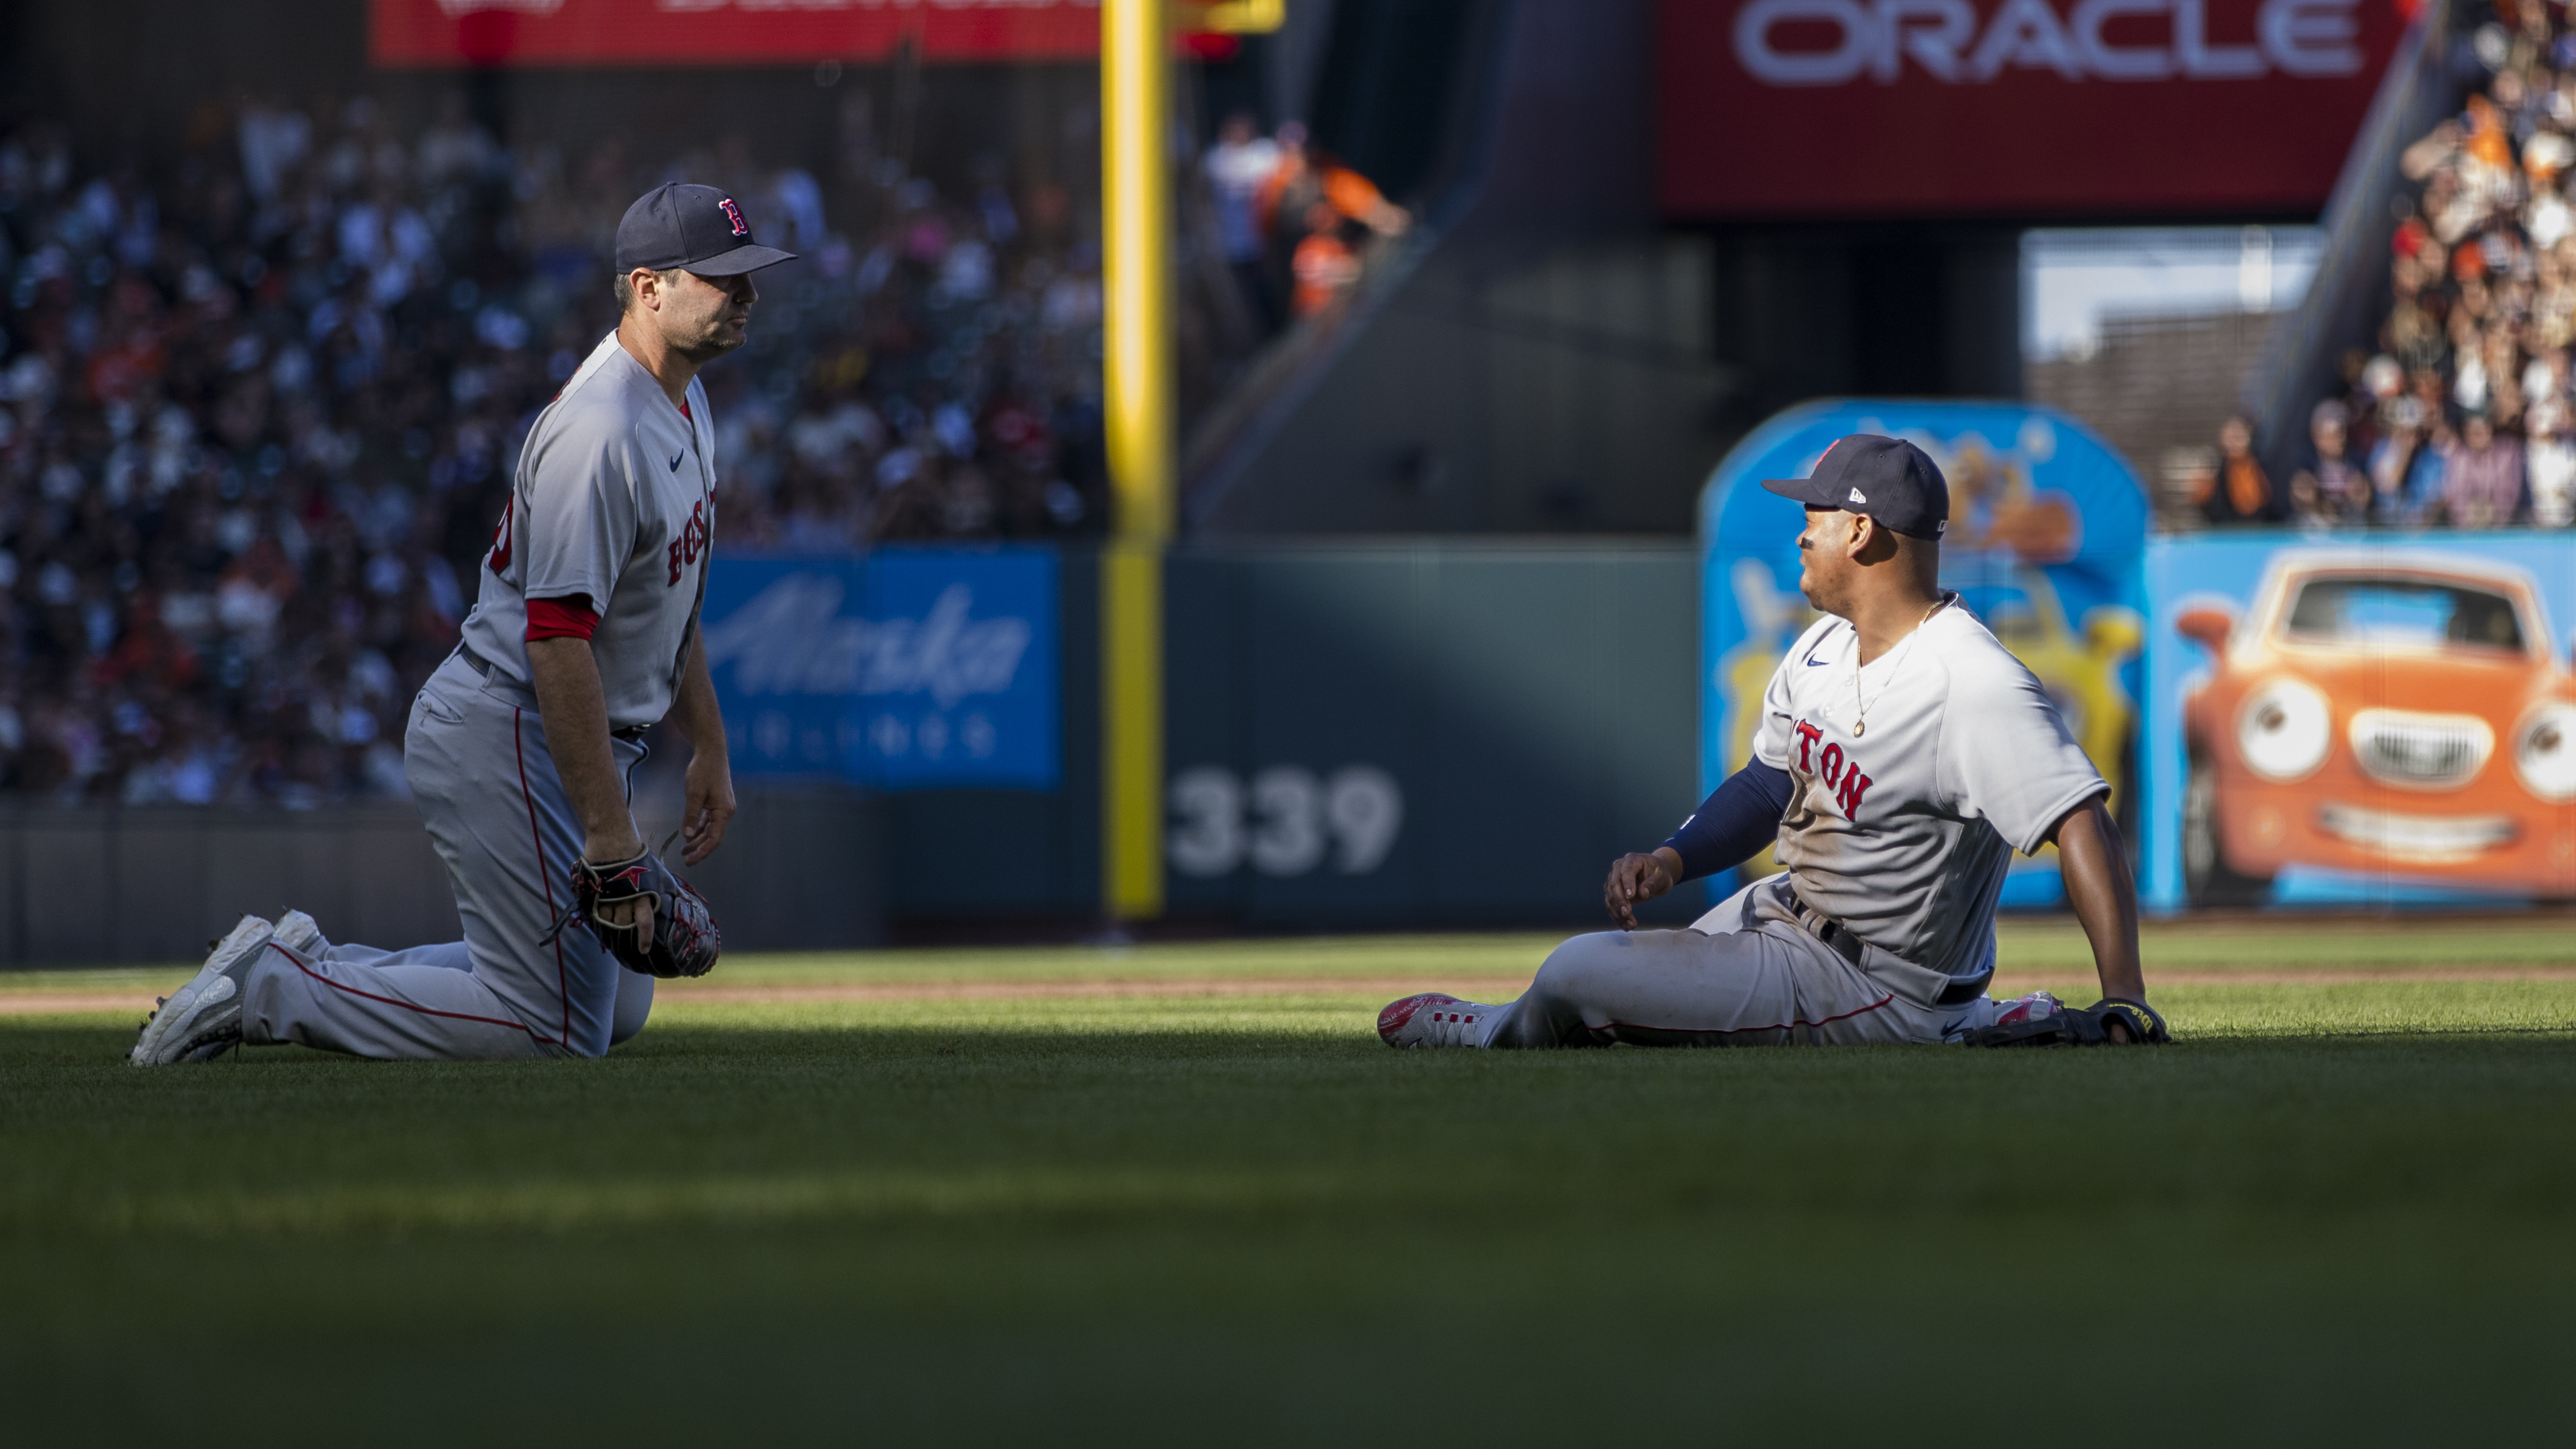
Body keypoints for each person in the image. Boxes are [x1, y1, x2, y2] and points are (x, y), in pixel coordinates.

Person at [130, 183, 794, 1064]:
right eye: (723, 278)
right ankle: (270, 991)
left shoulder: (684, 400)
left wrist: (707, 743)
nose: (745, 295)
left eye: (748, 276)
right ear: (646, 288)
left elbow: (673, 599)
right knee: (553, 1031)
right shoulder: (601, 431)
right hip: (510, 724)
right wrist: (608, 834)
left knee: (616, 1005)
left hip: (568, 730)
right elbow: (556, 641)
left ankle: (308, 960)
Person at [1377, 435, 2157, 1050]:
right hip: (1784, 915)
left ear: (1859, 531)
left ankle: (1491, 1032)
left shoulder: (1972, 678)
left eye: (1813, 519)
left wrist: (2125, 996)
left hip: (1877, 988)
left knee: (1579, 968)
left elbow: (2080, 819)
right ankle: (1982, 1020)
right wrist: (1673, 858)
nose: (1800, 536)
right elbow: (1766, 782)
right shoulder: (1822, 644)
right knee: (1603, 975)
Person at [1203, 111, 1283, 333]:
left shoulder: (1265, 152)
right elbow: (1204, 196)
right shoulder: (1216, 159)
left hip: (1266, 237)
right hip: (1232, 242)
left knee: (1271, 288)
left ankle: (1279, 328)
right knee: (1243, 299)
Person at [2196, 415, 2287, 524]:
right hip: (2224, 529)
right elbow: (2201, 500)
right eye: (2232, 436)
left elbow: (2257, 503)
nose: (2236, 441)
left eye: (2239, 435)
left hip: (2258, 530)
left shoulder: (2260, 464)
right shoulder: (2214, 467)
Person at [2440, 412, 2525, 527]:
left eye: (2483, 429)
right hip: (2465, 530)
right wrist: (2469, 519)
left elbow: (2509, 493)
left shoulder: (2507, 452)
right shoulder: (2458, 455)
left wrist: (2493, 517)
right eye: (2473, 431)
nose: (2478, 435)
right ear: (2466, 432)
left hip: (2501, 528)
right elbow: (2456, 494)